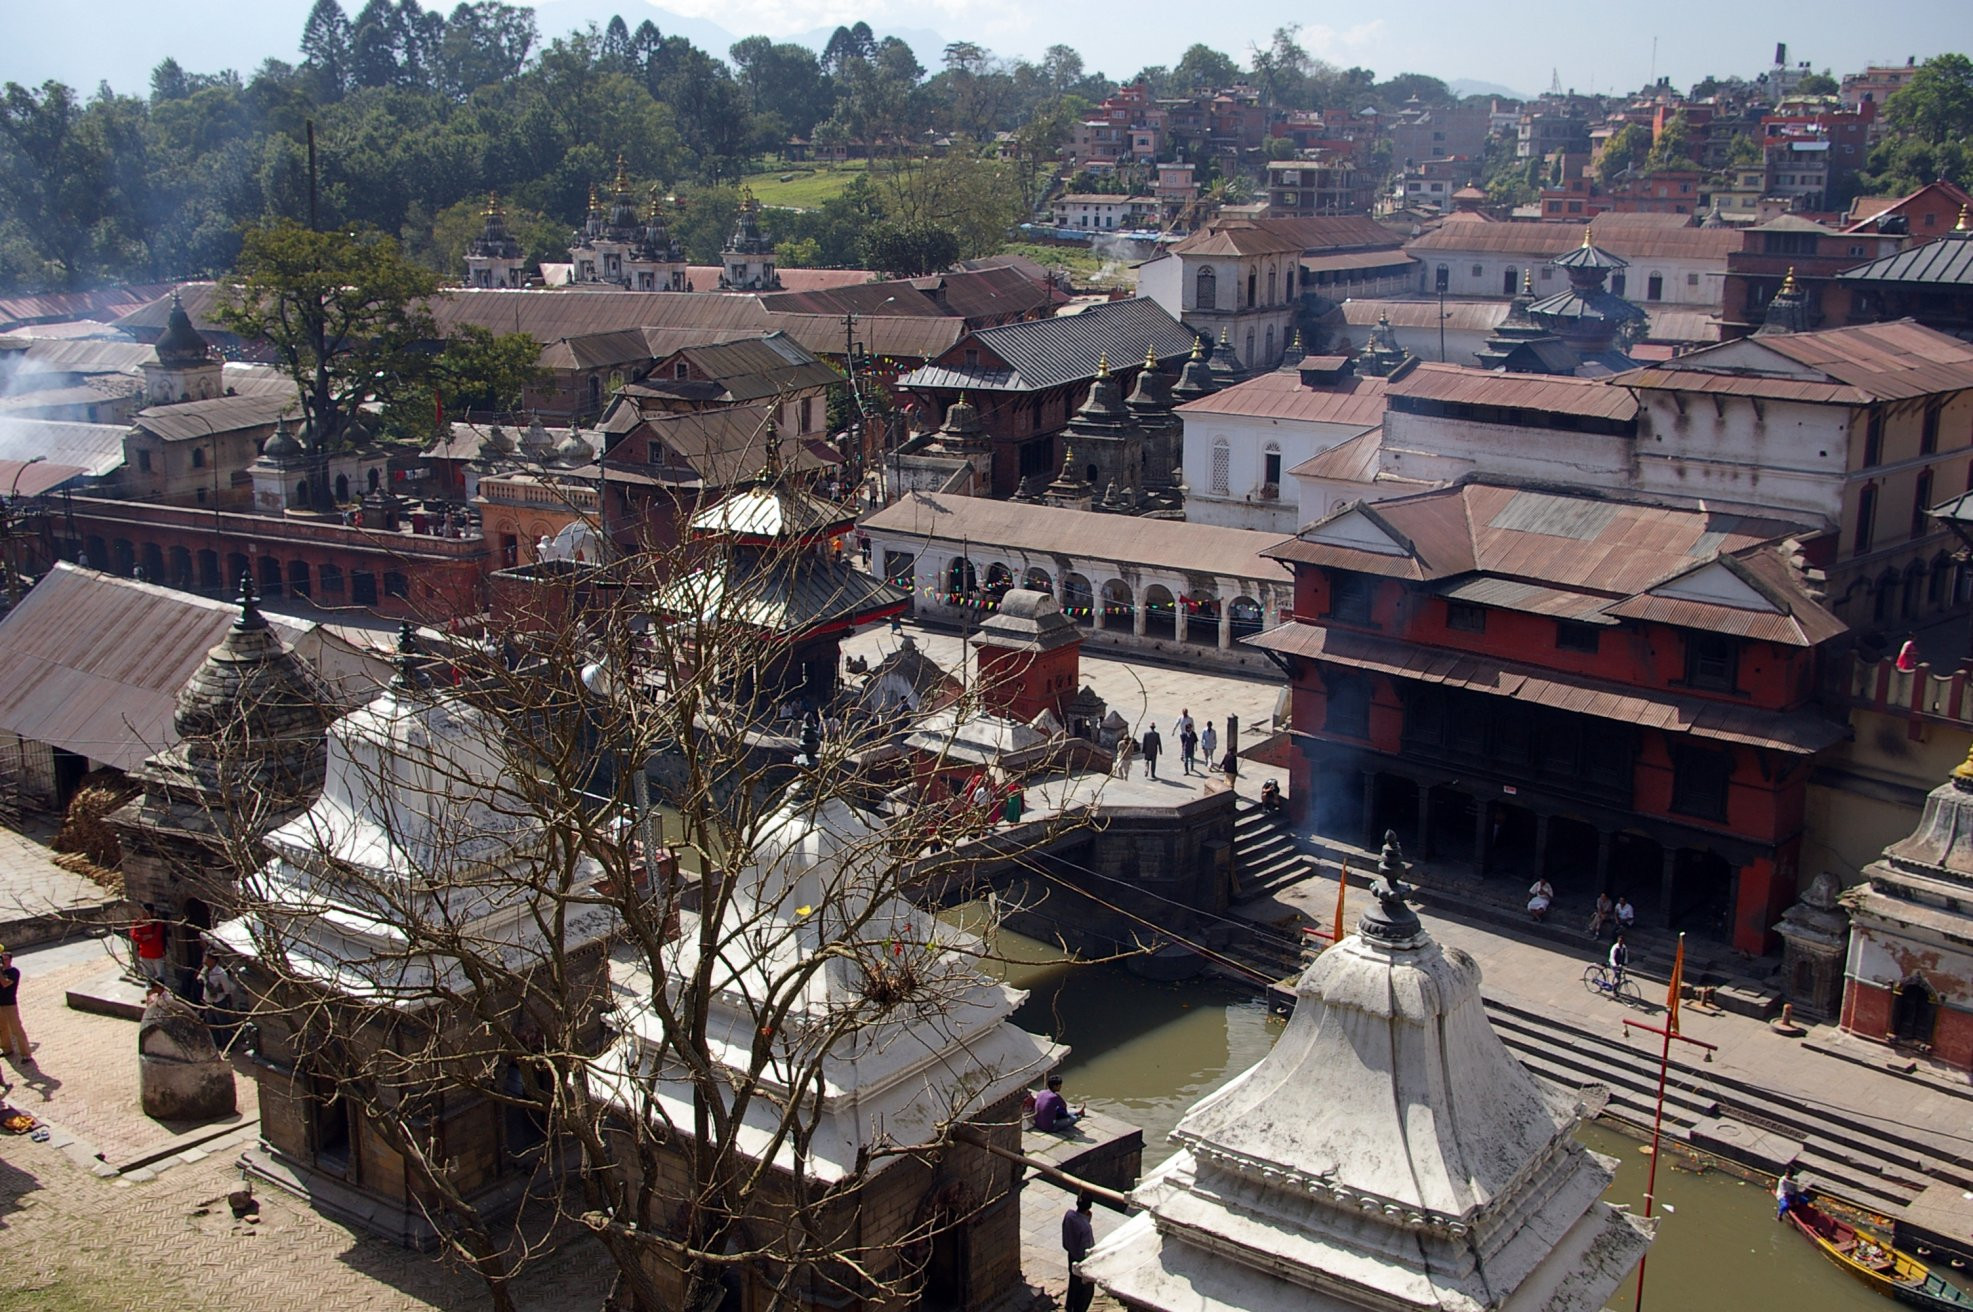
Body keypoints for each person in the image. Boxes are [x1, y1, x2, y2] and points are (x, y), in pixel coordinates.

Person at [1063, 1190, 1097, 1312]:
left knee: (1073, 1285)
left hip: (1071, 1255)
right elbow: (1086, 1249)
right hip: (1081, 1262)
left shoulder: (1069, 1215)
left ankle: (1069, 1307)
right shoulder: (1086, 1228)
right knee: (1084, 1294)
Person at [0, 947, 27, 1064]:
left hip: (9, 1004)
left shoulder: (14, 972)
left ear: (10, 960)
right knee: (2, 1029)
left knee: (16, 1030)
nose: (3, 961)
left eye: (5, 959)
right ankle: (7, 1049)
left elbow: (5, 983)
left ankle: (26, 1054)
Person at [131, 909, 168, 985]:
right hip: (144, 954)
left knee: (160, 976)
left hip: (157, 954)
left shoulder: (157, 923)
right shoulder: (138, 923)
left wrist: (143, 938)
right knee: (148, 977)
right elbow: (134, 936)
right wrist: (145, 937)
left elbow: (155, 939)